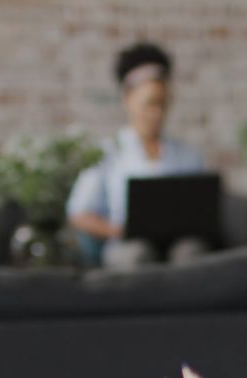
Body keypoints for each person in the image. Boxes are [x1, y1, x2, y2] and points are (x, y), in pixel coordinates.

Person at [66, 42, 208, 268]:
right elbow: (78, 214)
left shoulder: (187, 154)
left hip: (177, 242)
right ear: (127, 99)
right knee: (137, 254)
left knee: (191, 252)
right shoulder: (106, 153)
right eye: (149, 104)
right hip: (127, 244)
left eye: (162, 104)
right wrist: (119, 230)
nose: (156, 113)